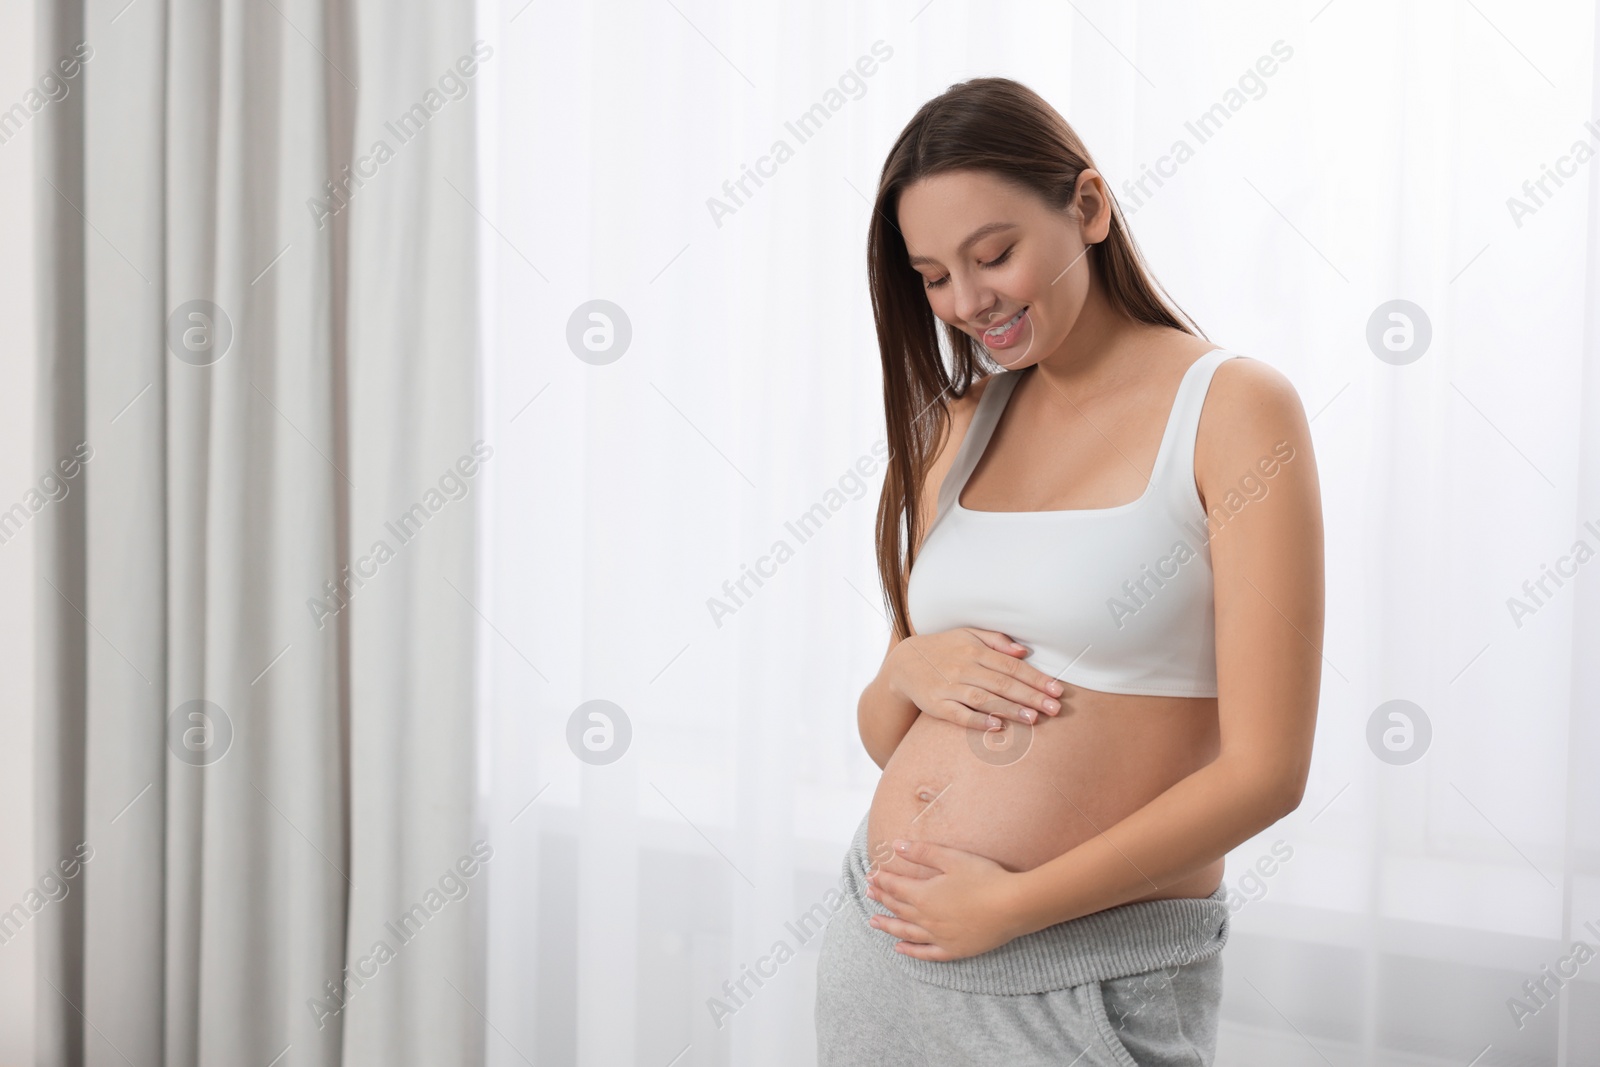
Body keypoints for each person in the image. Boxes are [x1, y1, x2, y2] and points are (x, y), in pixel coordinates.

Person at [814, 76, 1324, 1065]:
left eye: (992, 254)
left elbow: (1267, 773)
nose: (966, 303)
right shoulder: (958, 426)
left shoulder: (1232, 410)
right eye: (930, 276)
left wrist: (1010, 905)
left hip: (1078, 975)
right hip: (883, 954)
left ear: (1086, 207)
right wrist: (900, 674)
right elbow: (893, 736)